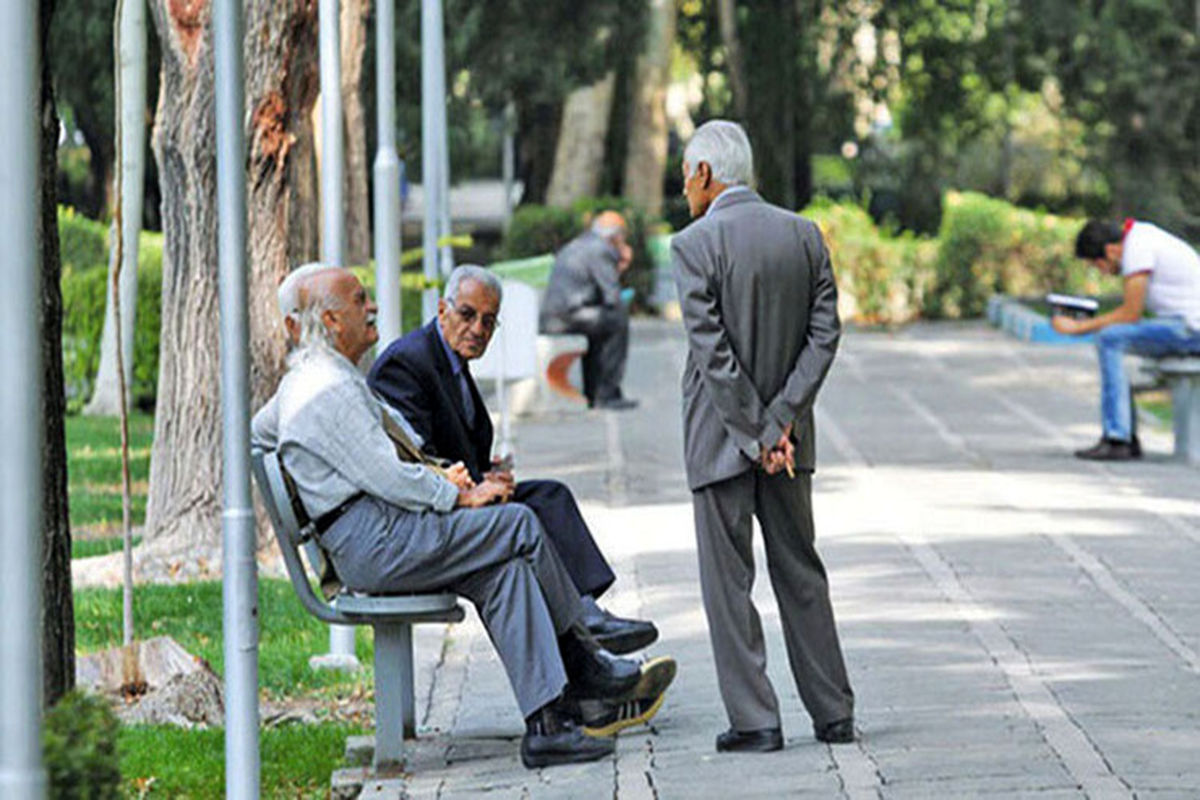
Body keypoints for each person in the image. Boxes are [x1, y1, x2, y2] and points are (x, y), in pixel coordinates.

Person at [252, 265, 674, 767]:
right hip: (375, 543)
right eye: (360, 300)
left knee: (505, 569)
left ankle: (547, 724)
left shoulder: (317, 379)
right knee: (517, 523)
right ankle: (585, 660)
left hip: (379, 532)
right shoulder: (326, 389)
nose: (373, 308)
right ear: (331, 320)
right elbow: (389, 477)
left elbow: (260, 432)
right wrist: (457, 497)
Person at [672, 120, 855, 753]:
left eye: (685, 173)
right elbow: (824, 335)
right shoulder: (803, 235)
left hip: (722, 438)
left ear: (703, 174)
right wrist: (780, 423)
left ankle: (756, 721)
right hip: (788, 442)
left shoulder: (693, 245)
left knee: (729, 585)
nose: (683, 187)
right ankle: (834, 714)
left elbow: (713, 354)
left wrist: (755, 429)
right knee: (802, 572)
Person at [367, 264, 660, 657]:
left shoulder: (451, 362)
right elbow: (414, 456)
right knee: (524, 529)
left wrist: (489, 473)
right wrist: (474, 486)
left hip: (462, 497)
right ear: (442, 310)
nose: (478, 330)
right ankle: (584, 637)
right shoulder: (408, 362)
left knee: (549, 497)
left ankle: (586, 616)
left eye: (489, 322)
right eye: (467, 315)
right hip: (427, 516)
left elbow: (454, 443)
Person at [1053, 219, 1200, 460]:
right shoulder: (1142, 238)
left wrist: (1078, 327)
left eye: (1098, 264)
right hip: (1185, 326)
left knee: (1109, 338)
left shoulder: (1137, 248)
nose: (1102, 271)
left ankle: (1118, 438)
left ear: (1111, 250)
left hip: (1191, 329)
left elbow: (1130, 314)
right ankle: (1122, 434)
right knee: (1111, 337)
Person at [540, 211, 637, 410]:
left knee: (602, 324)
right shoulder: (601, 249)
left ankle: (593, 393)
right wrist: (621, 260)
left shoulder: (580, 244)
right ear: (617, 236)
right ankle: (607, 394)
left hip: (557, 317)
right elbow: (613, 297)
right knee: (617, 319)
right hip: (570, 316)